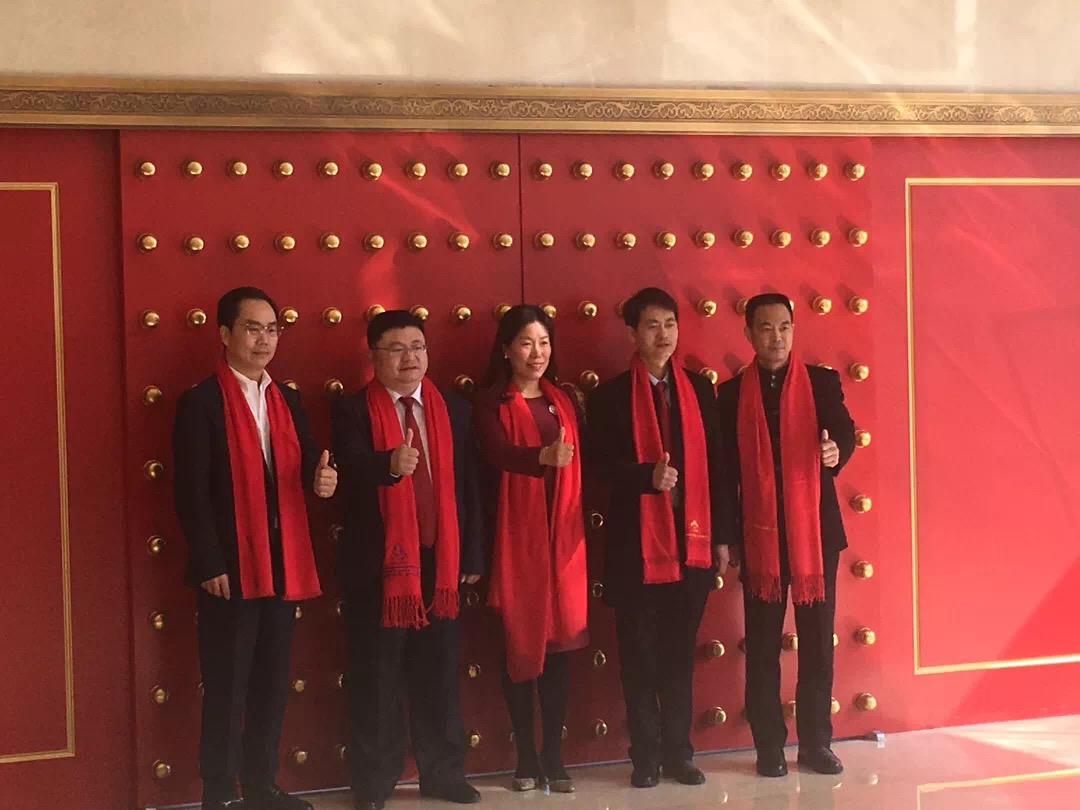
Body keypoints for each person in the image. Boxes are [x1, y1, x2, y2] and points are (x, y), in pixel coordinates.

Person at [173, 286, 337, 810]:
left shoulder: (287, 399)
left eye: (272, 329)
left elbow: (308, 463)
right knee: (227, 685)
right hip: (230, 567)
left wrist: (323, 478)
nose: (264, 340)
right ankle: (220, 792)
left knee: (271, 682)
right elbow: (191, 491)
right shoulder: (201, 402)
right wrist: (208, 560)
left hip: (282, 561)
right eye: (252, 328)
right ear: (225, 334)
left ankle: (262, 785)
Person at [331, 310, 485, 810]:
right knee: (378, 677)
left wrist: (472, 552)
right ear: (374, 356)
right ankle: (374, 784)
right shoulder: (352, 410)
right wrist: (388, 465)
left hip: (441, 560)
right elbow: (347, 470)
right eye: (396, 349)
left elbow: (468, 484)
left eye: (417, 347)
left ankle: (443, 774)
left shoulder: (453, 408)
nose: (409, 358)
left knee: (439, 672)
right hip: (381, 565)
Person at [585, 287, 731, 789]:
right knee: (639, 658)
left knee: (678, 658)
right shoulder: (608, 398)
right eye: (651, 325)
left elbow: (718, 468)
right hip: (636, 553)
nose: (663, 334)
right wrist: (645, 476)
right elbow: (599, 468)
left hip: (692, 547)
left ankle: (679, 754)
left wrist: (722, 537)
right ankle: (644, 757)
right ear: (632, 333)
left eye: (670, 324)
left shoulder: (700, 390)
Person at [716, 293, 856, 778]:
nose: (776, 338)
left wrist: (836, 452)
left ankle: (816, 744)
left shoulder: (821, 382)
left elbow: (844, 432)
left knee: (817, 643)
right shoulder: (731, 395)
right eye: (766, 328)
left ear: (794, 330)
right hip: (760, 537)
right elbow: (724, 474)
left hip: (814, 533)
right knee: (762, 646)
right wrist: (726, 535)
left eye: (784, 327)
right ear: (748, 334)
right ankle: (769, 747)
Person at [472, 305, 588, 794]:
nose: (536, 353)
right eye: (525, 343)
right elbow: (496, 454)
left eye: (543, 342)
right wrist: (541, 456)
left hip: (562, 538)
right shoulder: (490, 404)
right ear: (506, 349)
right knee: (520, 643)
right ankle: (525, 758)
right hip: (514, 542)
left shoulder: (565, 400)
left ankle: (554, 758)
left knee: (559, 650)